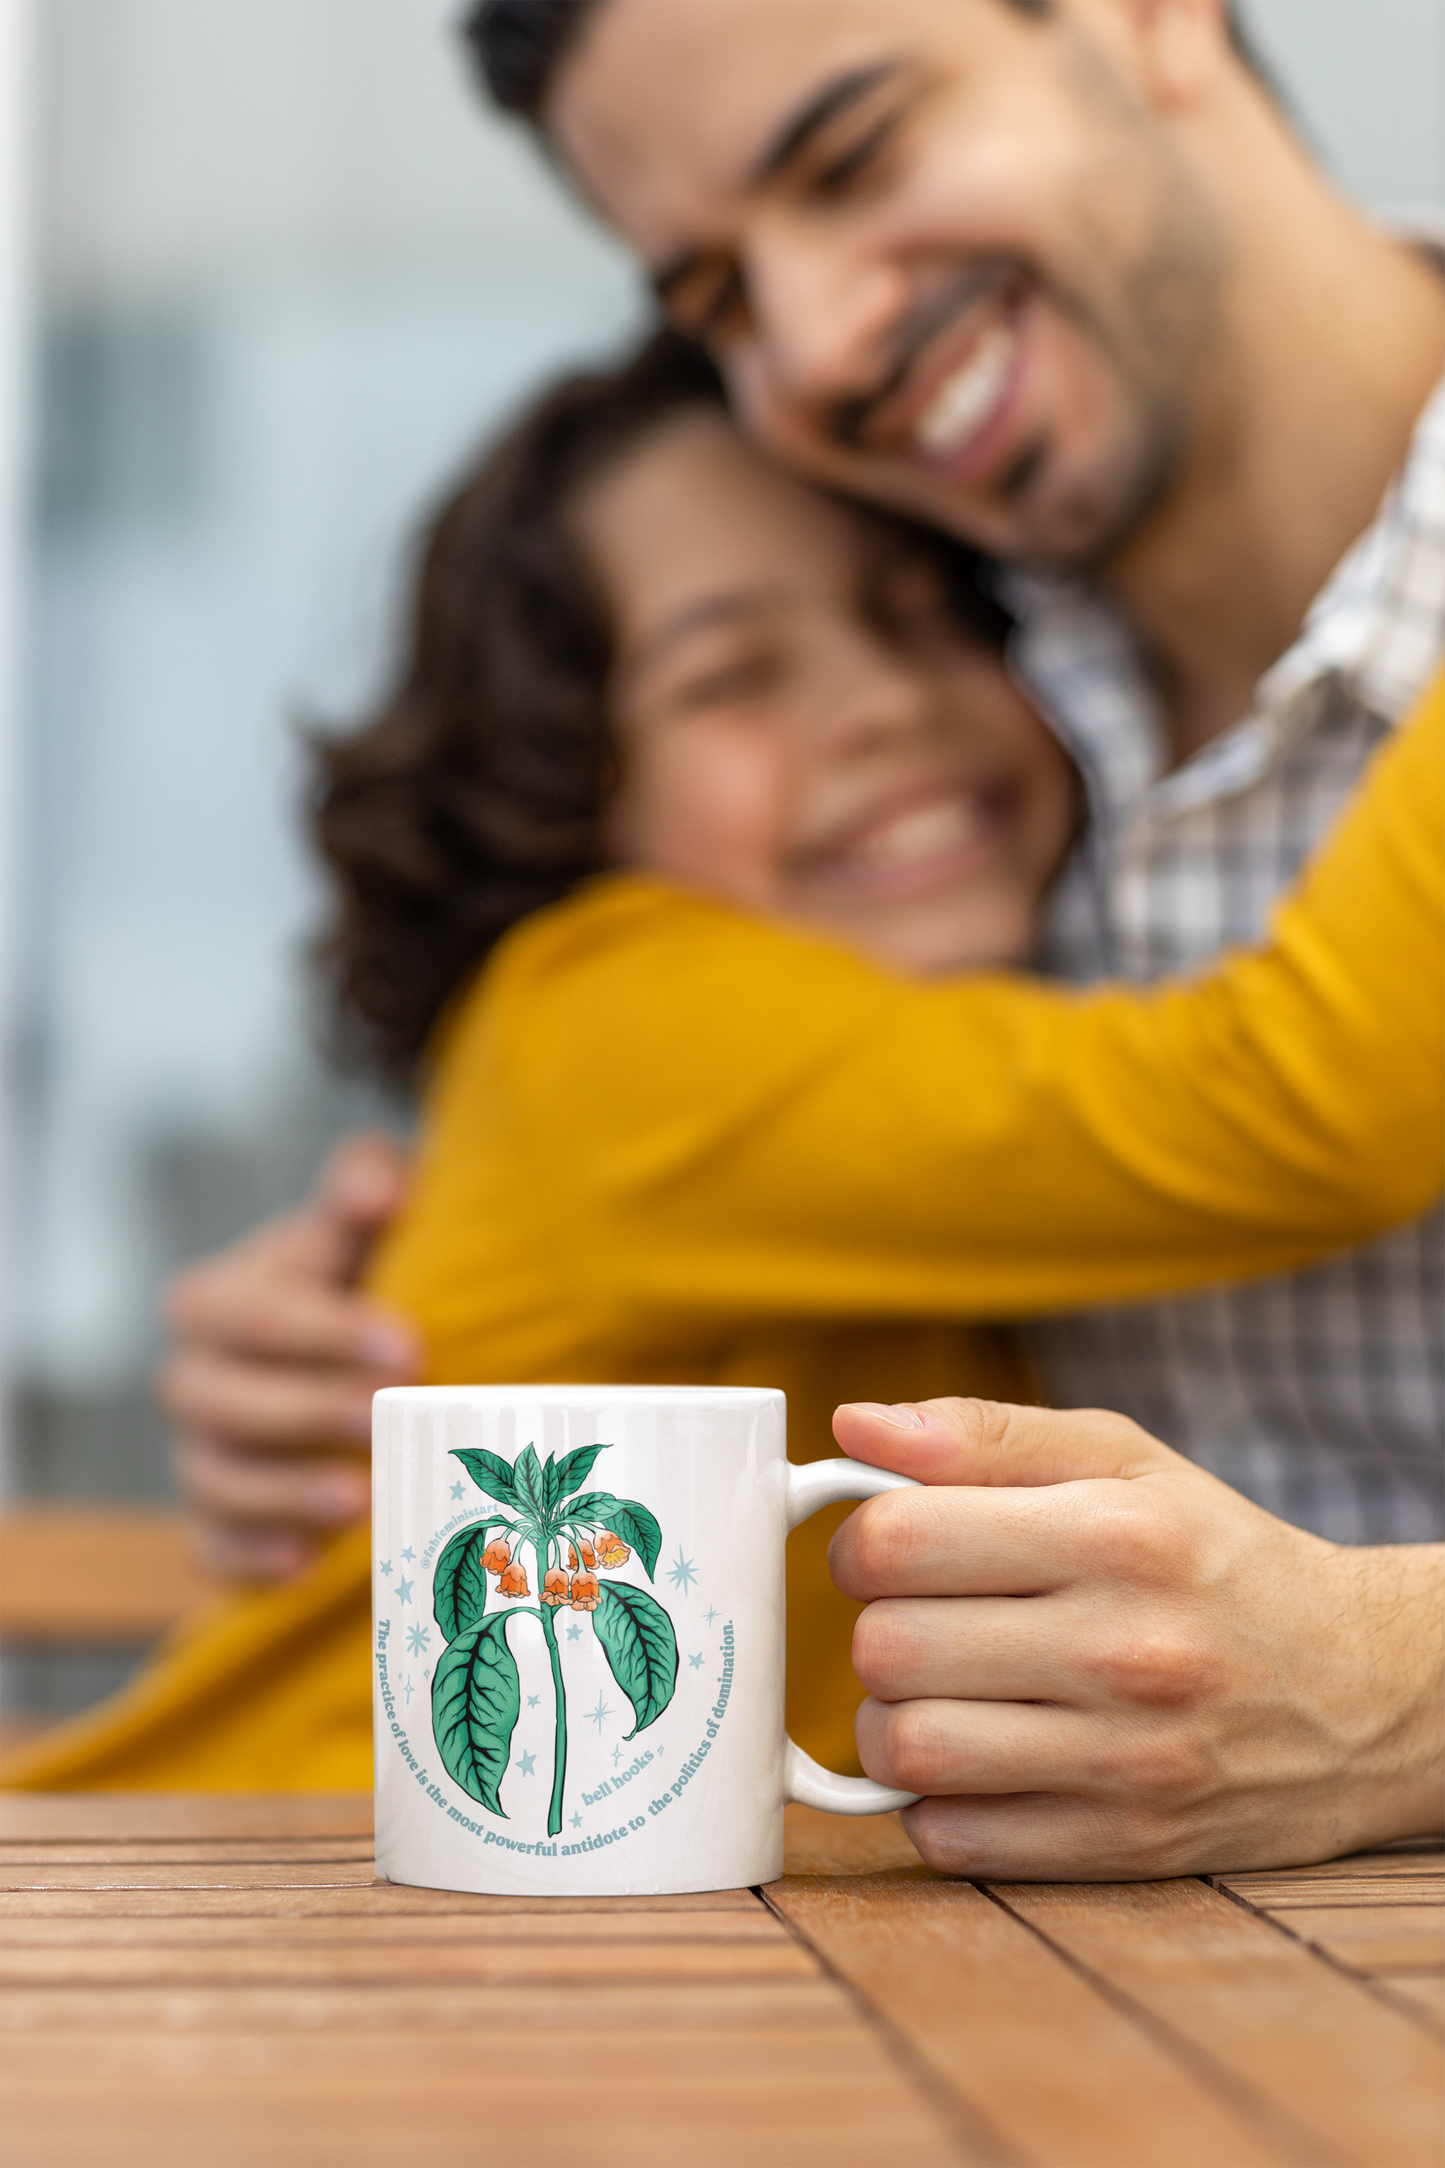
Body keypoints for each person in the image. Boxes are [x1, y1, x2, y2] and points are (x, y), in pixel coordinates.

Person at [16, 325, 1445, 1872]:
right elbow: (1284, 1100)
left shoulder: (965, 1090)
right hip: (187, 1919)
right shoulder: (618, 1015)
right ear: (564, 793)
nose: (880, 706)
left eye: (922, 619)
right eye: (734, 674)